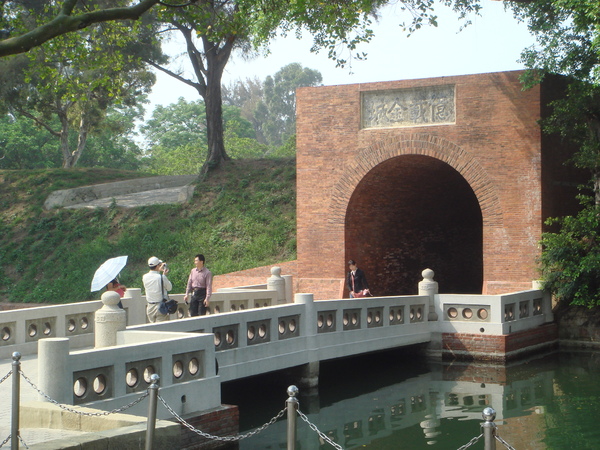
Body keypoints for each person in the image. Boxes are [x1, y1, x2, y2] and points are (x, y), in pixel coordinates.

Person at [142, 256, 172, 323]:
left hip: (150, 306)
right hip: (161, 306)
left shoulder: (144, 277)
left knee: (153, 327)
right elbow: (169, 288)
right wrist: (164, 275)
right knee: (161, 328)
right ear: (158, 266)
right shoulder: (161, 277)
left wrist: (159, 270)